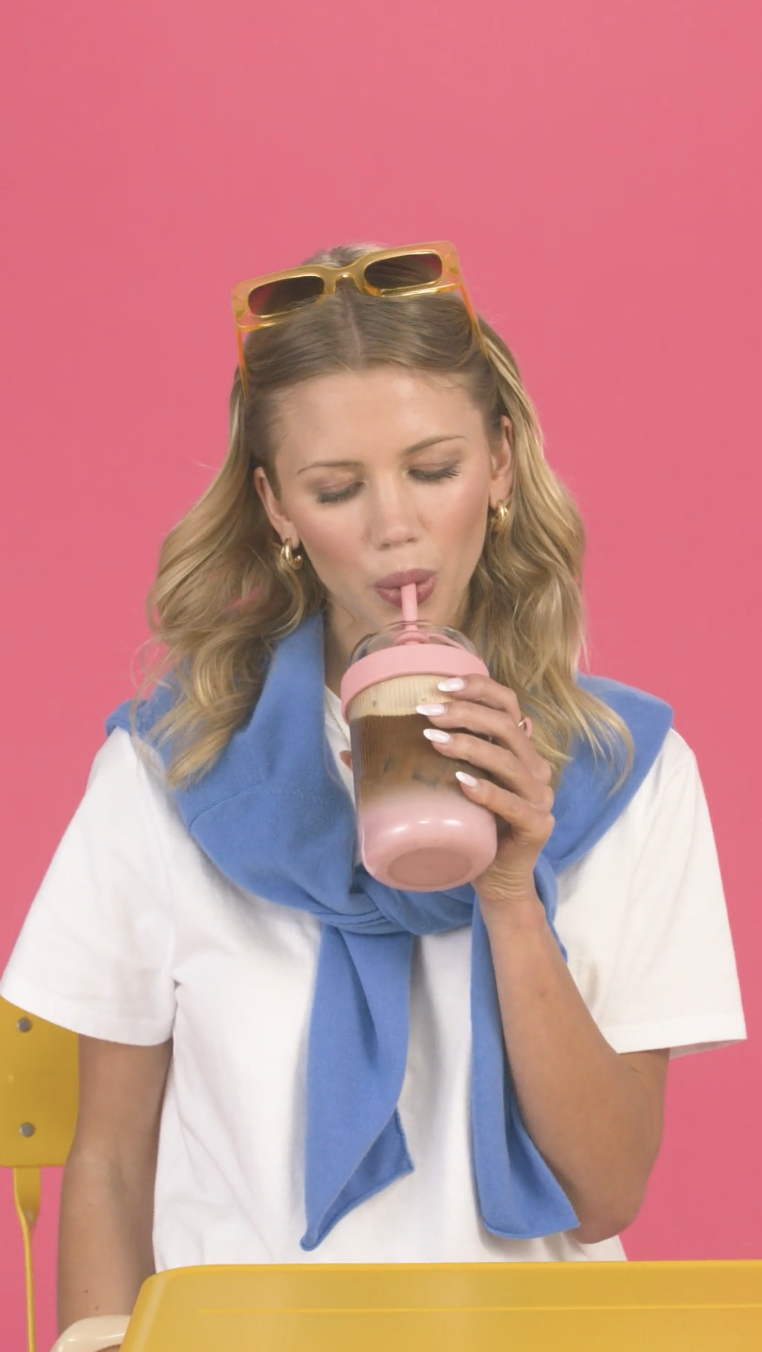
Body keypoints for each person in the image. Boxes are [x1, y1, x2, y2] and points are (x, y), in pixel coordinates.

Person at [0, 240, 746, 1351]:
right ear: (277, 508)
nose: (394, 524)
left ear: (501, 463)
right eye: (337, 488)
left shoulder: (626, 770)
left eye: (433, 469)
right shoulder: (174, 771)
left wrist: (510, 892)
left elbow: (607, 1191)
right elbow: (110, 1161)